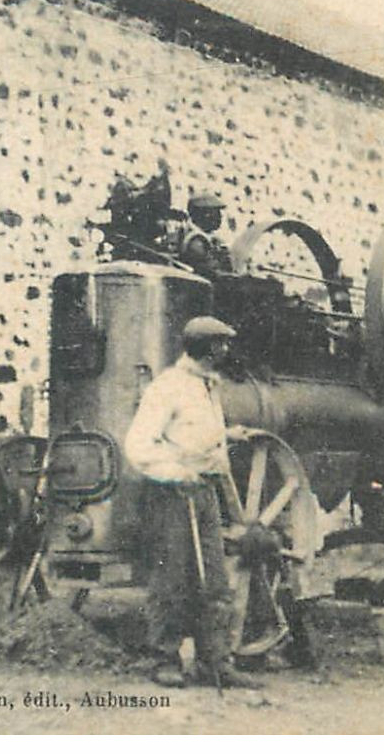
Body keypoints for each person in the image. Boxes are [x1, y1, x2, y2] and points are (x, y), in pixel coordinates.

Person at [122, 315, 260, 689]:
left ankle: (214, 661)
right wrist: (175, 472)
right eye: (221, 344)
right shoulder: (168, 387)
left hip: (203, 491)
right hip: (173, 493)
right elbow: (139, 445)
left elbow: (190, 434)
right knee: (172, 578)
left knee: (213, 578)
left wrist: (227, 435)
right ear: (207, 348)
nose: (226, 350)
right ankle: (163, 659)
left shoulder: (207, 385)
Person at [176, 191, 232, 276]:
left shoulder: (206, 236)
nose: (220, 216)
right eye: (216, 212)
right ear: (204, 214)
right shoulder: (197, 242)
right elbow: (210, 273)